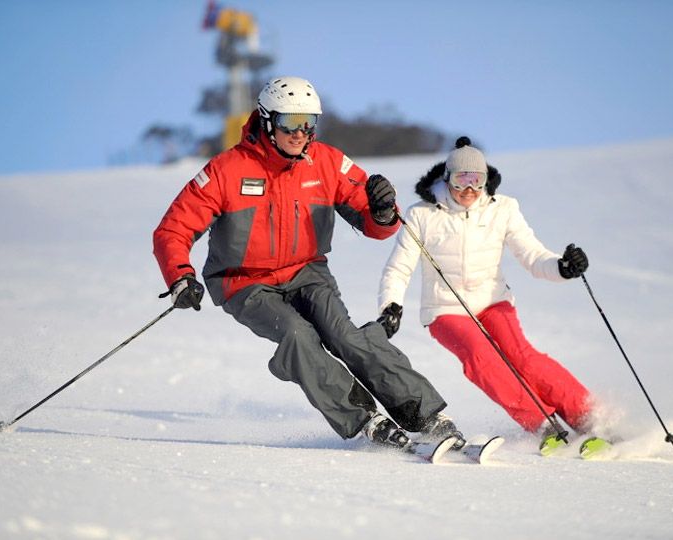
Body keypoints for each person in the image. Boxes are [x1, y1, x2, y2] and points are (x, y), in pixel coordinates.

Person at [153, 76, 460, 450]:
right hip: (244, 282)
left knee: (346, 336)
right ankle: (364, 419)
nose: (300, 133)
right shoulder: (226, 170)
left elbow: (374, 225)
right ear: (267, 121)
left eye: (308, 123)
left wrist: (381, 212)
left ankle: (425, 415)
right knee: (298, 336)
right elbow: (172, 229)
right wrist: (180, 276)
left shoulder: (327, 164)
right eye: (289, 123)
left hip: (307, 272)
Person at [377, 136, 595, 454]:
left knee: (524, 358)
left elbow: (533, 256)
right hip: (445, 308)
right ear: (446, 177)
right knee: (481, 358)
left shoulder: (503, 209)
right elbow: (399, 268)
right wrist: (390, 305)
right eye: (460, 180)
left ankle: (590, 417)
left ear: (485, 180)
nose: (468, 190)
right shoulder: (422, 214)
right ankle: (543, 424)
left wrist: (562, 267)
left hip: (493, 301)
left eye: (476, 181)